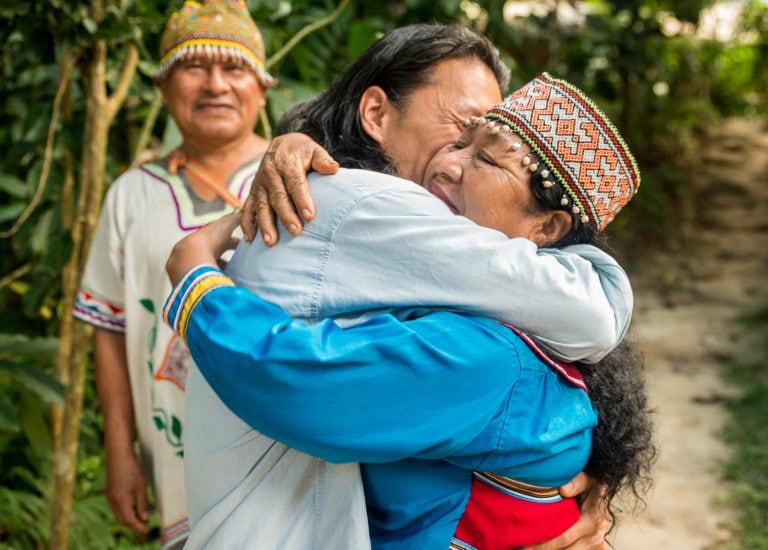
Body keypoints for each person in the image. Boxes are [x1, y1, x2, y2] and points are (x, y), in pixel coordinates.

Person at [171, 25, 637, 549]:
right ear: (375, 114)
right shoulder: (370, 210)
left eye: (482, 156)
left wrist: (194, 286)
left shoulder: (484, 344)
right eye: (460, 134)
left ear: (547, 231)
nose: (450, 162)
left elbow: (309, 384)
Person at [71, 1, 277, 546]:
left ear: (261, 86)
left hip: (285, 456)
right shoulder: (131, 194)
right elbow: (109, 328)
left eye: (234, 68)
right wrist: (120, 450)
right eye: (194, 67)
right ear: (163, 87)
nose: (216, 85)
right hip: (173, 459)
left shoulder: (294, 177)